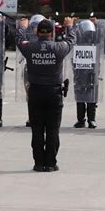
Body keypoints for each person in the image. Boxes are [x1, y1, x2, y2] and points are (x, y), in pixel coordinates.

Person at [16, 17, 76, 172]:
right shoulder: (59, 48)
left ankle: (38, 162)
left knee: (37, 129)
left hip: (35, 92)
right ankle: (50, 163)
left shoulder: (30, 48)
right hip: (54, 93)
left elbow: (18, 39)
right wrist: (69, 26)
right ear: (52, 33)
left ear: (37, 32)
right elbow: (71, 40)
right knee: (52, 130)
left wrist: (23, 27)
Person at [72, 17, 105, 129]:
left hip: (92, 71)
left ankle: (91, 119)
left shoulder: (94, 41)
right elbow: (70, 37)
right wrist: (72, 25)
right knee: (80, 96)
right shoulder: (77, 40)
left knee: (91, 97)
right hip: (80, 71)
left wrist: (97, 24)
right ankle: (81, 120)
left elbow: (100, 36)